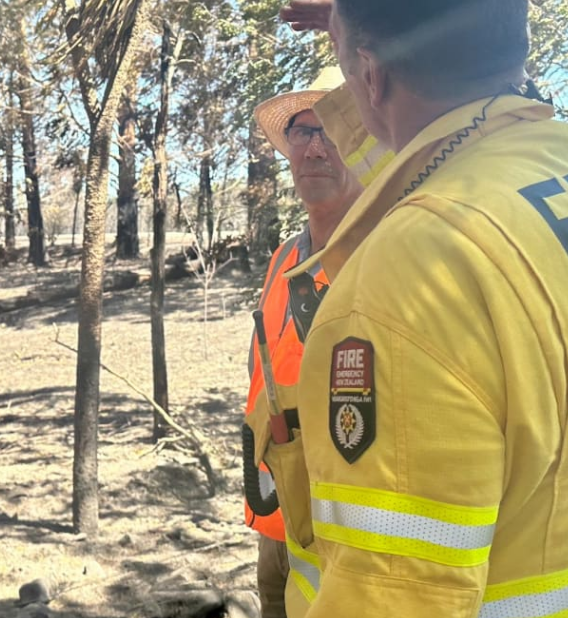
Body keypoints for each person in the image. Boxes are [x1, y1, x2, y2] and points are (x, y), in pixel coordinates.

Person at [247, 0, 568, 615]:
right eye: (301, 131)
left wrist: (365, 37)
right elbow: (426, 146)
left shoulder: (410, 270)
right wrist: (365, 32)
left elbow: (396, 594)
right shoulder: (538, 167)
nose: (317, 145)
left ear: (369, 77)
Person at [243, 66, 362, 618]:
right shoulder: (282, 261)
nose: (315, 148)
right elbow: (260, 368)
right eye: (301, 132)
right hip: (279, 518)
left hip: (350, 532)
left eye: (331, 131)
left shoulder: (386, 256)